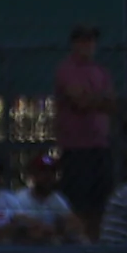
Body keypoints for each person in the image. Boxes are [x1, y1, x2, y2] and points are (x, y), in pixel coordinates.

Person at [50, 24, 117, 231]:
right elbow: (79, 101)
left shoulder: (101, 71)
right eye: (84, 40)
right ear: (75, 43)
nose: (89, 45)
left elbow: (112, 103)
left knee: (100, 203)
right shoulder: (66, 69)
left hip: (100, 146)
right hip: (76, 148)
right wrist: (97, 100)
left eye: (92, 41)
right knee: (77, 202)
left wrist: (91, 99)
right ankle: (79, 243)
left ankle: (95, 244)